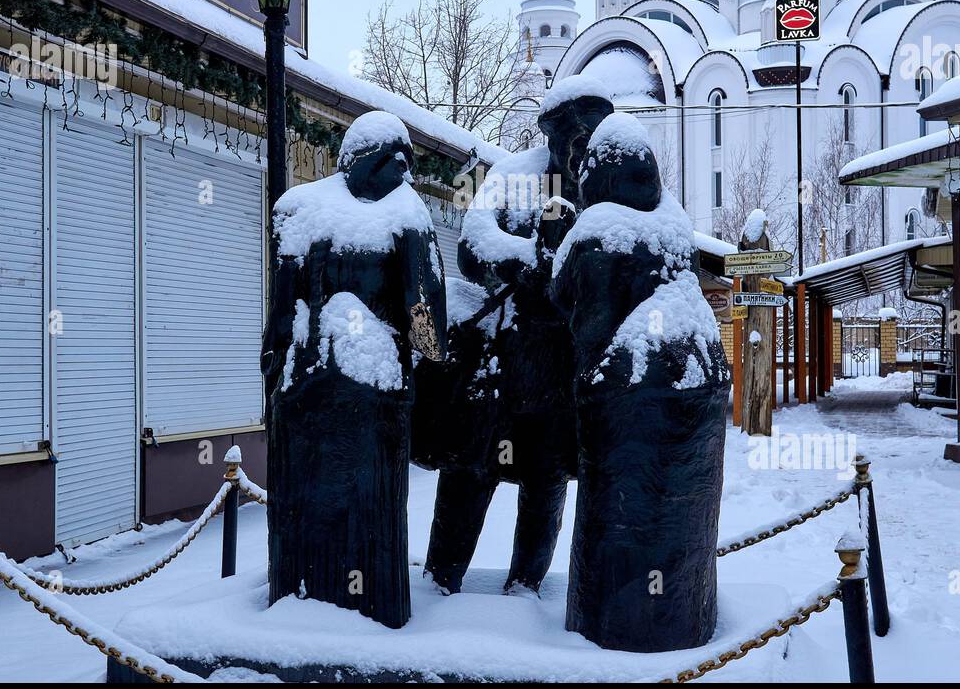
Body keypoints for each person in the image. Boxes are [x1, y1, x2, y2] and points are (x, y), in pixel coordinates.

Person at [418, 76, 613, 594]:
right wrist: (523, 262)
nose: (582, 147)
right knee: (470, 468)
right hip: (502, 366)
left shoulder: (606, 192)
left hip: (563, 367)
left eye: (591, 136)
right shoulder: (514, 178)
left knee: (546, 480)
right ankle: (441, 578)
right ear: (552, 133)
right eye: (574, 136)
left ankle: (526, 588)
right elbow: (472, 246)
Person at [551, 113, 728, 652]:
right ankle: (684, 616)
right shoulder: (674, 226)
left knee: (623, 516)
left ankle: (620, 628)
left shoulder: (601, 229)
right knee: (681, 516)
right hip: (700, 374)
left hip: (630, 390)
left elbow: (580, 313)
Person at [262, 111, 446, 629]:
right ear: (369, 160)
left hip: (313, 379)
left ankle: (306, 593)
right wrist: (428, 359)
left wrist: (275, 355)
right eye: (397, 162)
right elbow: (424, 314)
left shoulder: (305, 208)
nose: (403, 174)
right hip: (358, 385)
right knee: (359, 511)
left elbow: (282, 310)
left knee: (324, 506)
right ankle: (345, 601)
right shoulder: (400, 214)